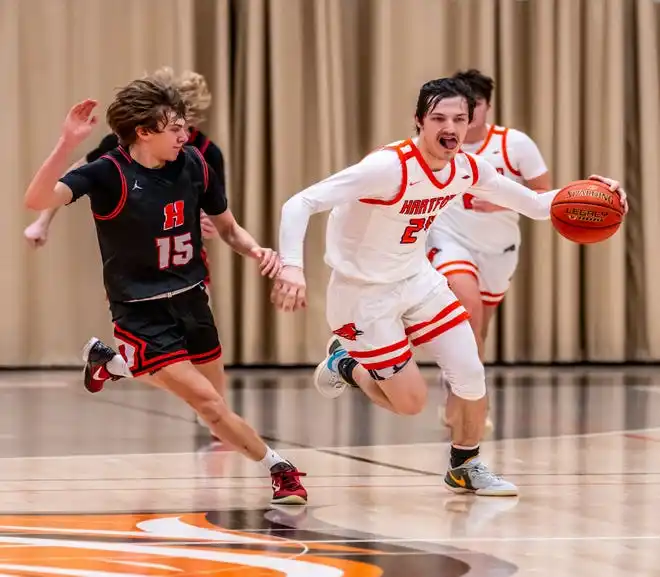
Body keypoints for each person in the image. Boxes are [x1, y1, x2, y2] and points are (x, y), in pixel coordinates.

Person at [270, 77, 626, 496]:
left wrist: (598, 192)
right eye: (439, 117)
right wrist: (291, 267)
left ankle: (466, 465)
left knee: (471, 372)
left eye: (460, 118)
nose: (450, 127)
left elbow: (535, 204)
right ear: (419, 121)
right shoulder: (387, 167)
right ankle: (345, 363)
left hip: (417, 280)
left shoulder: (466, 169)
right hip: (362, 295)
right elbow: (300, 203)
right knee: (410, 404)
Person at [23, 78, 308, 505]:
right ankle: (280, 468)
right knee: (209, 404)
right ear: (144, 131)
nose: (184, 135)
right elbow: (36, 198)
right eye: (174, 127)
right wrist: (66, 143)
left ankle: (112, 365)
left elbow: (227, 227)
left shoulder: (193, 161)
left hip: (192, 300)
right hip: (140, 312)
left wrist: (257, 251)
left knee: (216, 408)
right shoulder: (107, 172)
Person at [427, 69, 552, 435]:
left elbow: (545, 195)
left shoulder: (515, 144)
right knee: (467, 318)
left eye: (474, 105)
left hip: (499, 249)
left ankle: (459, 386)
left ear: (486, 107)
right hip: (450, 241)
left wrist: (502, 205)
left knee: (477, 331)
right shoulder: (439, 144)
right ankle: (466, 402)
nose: (467, 114)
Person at [23, 67, 222, 271]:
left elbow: (220, 215)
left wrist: (214, 226)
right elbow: (74, 173)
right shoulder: (122, 144)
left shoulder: (205, 154)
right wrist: (43, 221)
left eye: (182, 126)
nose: (180, 136)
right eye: (171, 127)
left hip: (182, 265)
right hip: (133, 267)